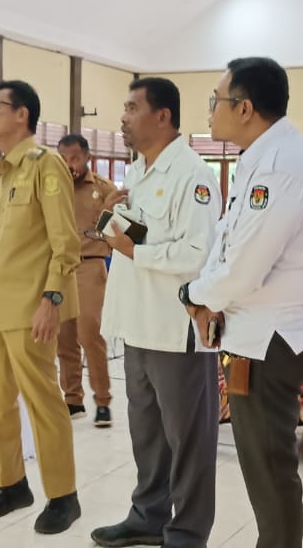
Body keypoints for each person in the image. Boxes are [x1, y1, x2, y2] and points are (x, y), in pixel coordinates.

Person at [180, 57, 303, 548]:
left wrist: (193, 294)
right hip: (256, 336)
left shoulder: (281, 167)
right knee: (264, 471)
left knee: (270, 472)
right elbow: (229, 244)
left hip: (271, 342)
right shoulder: (261, 157)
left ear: (244, 108)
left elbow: (245, 268)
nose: (210, 111)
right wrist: (205, 299)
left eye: (216, 100)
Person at [92, 78, 222, 548]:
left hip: (175, 327)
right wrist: (110, 218)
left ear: (162, 116)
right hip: (137, 323)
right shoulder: (138, 173)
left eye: (132, 107)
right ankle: (147, 516)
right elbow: (137, 237)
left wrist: (134, 249)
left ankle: (187, 531)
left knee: (188, 439)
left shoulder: (193, 175)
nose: (123, 117)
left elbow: (197, 254)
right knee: (146, 433)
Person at [0, 80, 82, 534]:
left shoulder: (44, 165)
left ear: (22, 115)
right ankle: (11, 484)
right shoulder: (4, 172)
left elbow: (65, 243)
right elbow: (5, 246)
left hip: (31, 308)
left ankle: (63, 495)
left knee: (43, 402)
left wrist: (52, 299)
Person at [56, 134, 117, 425]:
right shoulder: (52, 188)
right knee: (64, 336)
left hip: (91, 265)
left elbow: (119, 227)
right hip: (59, 268)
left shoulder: (103, 189)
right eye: (64, 159)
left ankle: (102, 400)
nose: (70, 165)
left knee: (89, 333)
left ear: (87, 157)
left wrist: (105, 214)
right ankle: (72, 399)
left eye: (75, 158)